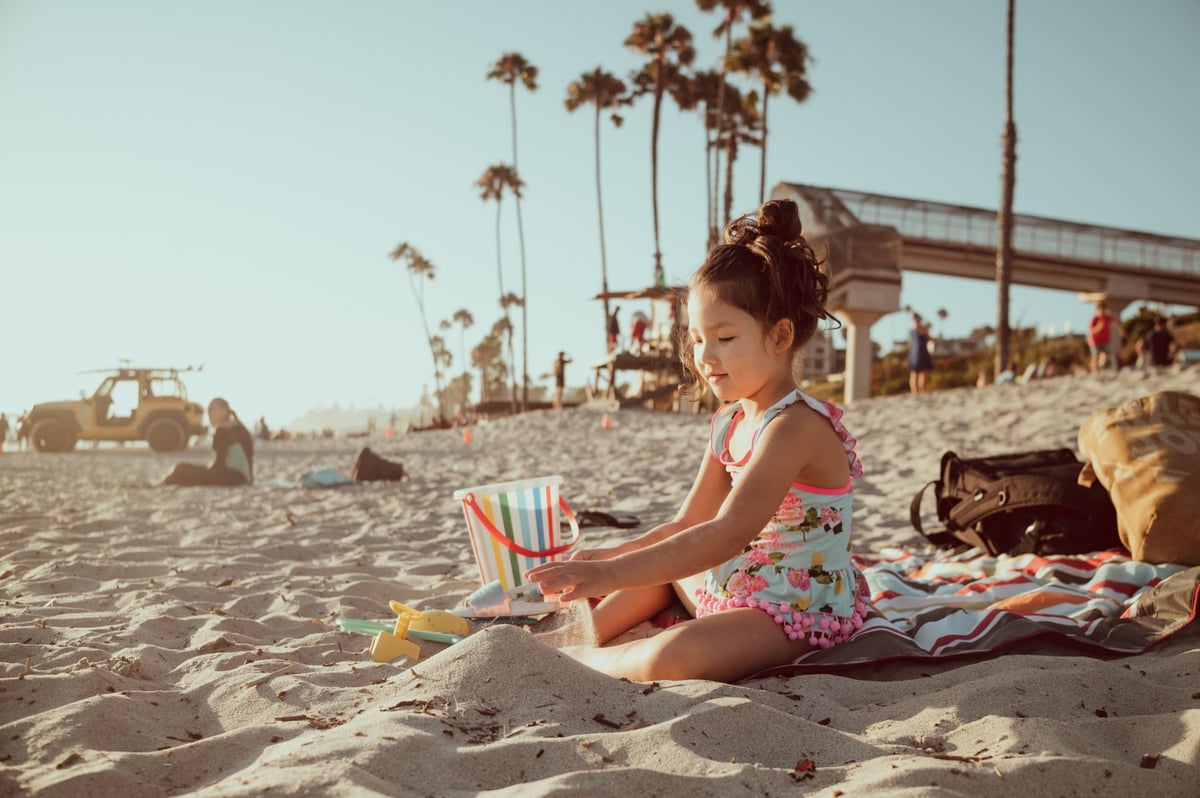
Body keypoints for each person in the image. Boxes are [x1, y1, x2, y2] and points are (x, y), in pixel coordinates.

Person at [527, 199, 867, 683]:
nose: (705, 356)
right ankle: (569, 638)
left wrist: (610, 576)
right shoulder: (729, 422)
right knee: (659, 567)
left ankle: (577, 661)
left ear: (780, 335)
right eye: (698, 338)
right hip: (734, 578)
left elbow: (727, 532)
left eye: (724, 338)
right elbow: (688, 523)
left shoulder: (795, 427)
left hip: (794, 607)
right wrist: (609, 557)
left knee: (672, 657)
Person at [162, 397, 254, 486]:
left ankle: (163, 484)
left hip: (233, 477)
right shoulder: (240, 428)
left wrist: (204, 472)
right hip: (243, 477)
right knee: (193, 470)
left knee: (182, 468)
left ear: (224, 410)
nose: (209, 413)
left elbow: (219, 464)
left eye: (212, 409)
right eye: (208, 410)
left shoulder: (223, 430)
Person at [1088, 301, 1122, 372]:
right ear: (1097, 310)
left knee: (1108, 355)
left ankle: (1105, 368)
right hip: (1095, 341)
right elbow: (1091, 329)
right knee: (1095, 356)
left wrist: (1120, 330)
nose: (1102, 312)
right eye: (1101, 310)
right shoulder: (1095, 319)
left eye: (1104, 310)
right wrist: (1098, 327)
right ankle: (1095, 370)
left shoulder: (1107, 317)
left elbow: (1115, 323)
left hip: (1105, 340)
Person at [907, 313, 933, 394]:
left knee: (914, 373)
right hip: (921, 352)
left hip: (914, 352)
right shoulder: (922, 329)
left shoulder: (911, 329)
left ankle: (915, 392)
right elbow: (929, 339)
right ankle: (920, 391)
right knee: (921, 373)